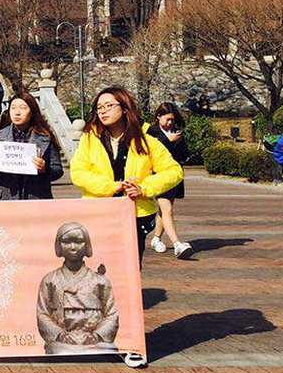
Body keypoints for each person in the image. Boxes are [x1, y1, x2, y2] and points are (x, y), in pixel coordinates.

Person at [71, 86, 183, 269]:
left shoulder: (145, 140)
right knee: (97, 266)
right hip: (98, 212)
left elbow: (174, 171)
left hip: (134, 215)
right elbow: (78, 172)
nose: (103, 111)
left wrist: (144, 188)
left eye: (108, 105)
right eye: (99, 107)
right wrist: (110, 186)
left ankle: (128, 299)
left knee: (129, 268)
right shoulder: (90, 139)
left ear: (124, 108)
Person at [36, 222, 118, 356]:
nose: (73, 247)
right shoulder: (50, 280)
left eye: (79, 242)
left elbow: (111, 314)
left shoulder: (100, 281)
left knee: (105, 350)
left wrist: (96, 335)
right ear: (59, 246)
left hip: (95, 339)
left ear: (87, 245)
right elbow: (42, 313)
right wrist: (60, 335)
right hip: (62, 341)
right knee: (59, 350)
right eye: (67, 242)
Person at [0, 91, 63, 200]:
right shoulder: (0, 136)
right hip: (7, 199)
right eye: (13, 108)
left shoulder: (45, 136)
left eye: (23, 108)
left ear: (32, 111)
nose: (17, 112)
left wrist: (44, 169)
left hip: (37, 198)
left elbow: (58, 170)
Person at [146, 103, 193, 258]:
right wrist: (168, 141)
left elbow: (185, 154)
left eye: (172, 119)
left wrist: (177, 140)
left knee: (164, 210)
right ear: (159, 116)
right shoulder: (150, 132)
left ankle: (156, 239)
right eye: (167, 119)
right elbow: (148, 152)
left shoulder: (176, 132)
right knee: (167, 210)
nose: (170, 123)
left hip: (173, 175)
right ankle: (177, 243)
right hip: (157, 175)